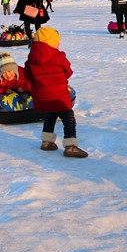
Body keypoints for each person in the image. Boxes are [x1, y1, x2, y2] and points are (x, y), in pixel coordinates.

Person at [25, 27, 88, 158]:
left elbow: (27, 75)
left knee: (50, 116)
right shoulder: (58, 56)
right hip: (59, 95)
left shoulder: (31, 58)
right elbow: (68, 72)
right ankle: (71, 146)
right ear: (49, 42)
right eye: (56, 41)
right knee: (68, 119)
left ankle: (47, 142)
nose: (58, 44)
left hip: (42, 96)